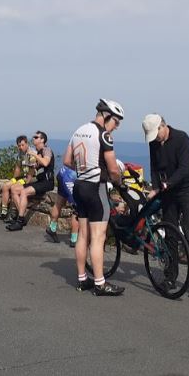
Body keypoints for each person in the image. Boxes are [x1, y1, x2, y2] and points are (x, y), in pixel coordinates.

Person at [64, 99, 126, 296]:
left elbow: (66, 161)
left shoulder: (78, 131)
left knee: (83, 234)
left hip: (79, 186)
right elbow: (113, 168)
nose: (116, 127)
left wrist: (83, 170)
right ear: (107, 116)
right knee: (98, 237)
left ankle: (83, 279)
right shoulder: (103, 135)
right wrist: (118, 181)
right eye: (116, 122)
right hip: (95, 188)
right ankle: (100, 283)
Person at [142, 113, 189, 298]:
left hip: (187, 189)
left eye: (156, 134)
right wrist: (155, 187)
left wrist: (167, 184)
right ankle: (170, 276)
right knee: (170, 232)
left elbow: (184, 168)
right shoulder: (154, 142)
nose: (155, 139)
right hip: (167, 190)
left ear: (162, 126)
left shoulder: (181, 138)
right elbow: (154, 166)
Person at [6, 131, 55, 231]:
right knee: (14, 189)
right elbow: (38, 166)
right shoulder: (39, 151)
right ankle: (22, 216)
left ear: (42, 140)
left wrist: (34, 154)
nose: (34, 138)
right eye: (34, 137)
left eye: (36, 137)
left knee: (24, 192)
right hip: (40, 180)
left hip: (47, 182)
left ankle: (19, 221)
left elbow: (46, 163)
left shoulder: (47, 150)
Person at [0, 136, 34, 220]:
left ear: (27, 144)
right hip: (23, 176)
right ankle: (3, 212)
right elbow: (18, 167)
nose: (21, 147)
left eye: (22, 145)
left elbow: (32, 171)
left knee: (15, 188)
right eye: (19, 145)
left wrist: (27, 182)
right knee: (5, 186)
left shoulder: (32, 153)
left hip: (31, 177)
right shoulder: (20, 154)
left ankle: (14, 214)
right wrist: (13, 179)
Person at [47, 164, 80, 245]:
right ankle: (74, 239)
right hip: (71, 176)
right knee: (77, 207)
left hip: (62, 172)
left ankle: (52, 227)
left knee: (59, 202)